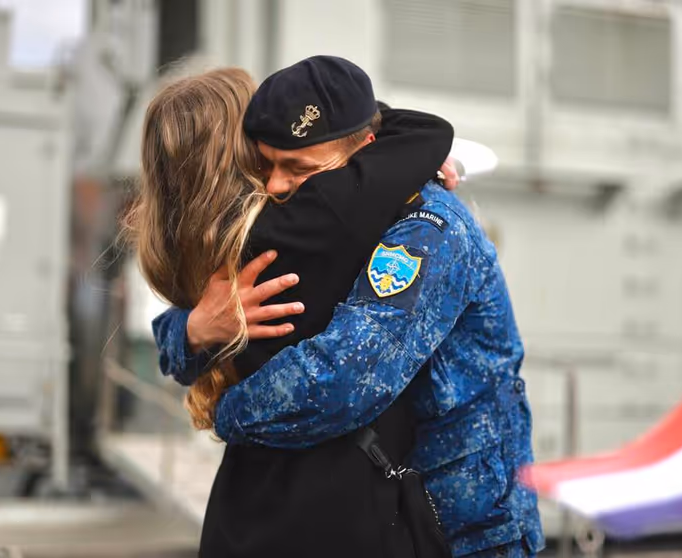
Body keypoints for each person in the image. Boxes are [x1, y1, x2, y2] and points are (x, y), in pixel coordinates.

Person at [155, 57, 544, 557]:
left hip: (474, 528)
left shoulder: (427, 228)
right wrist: (193, 329)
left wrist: (226, 417)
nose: (275, 185)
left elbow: (342, 379)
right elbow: (184, 316)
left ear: (363, 149)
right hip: (410, 516)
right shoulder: (331, 216)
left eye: (296, 168)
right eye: (267, 165)